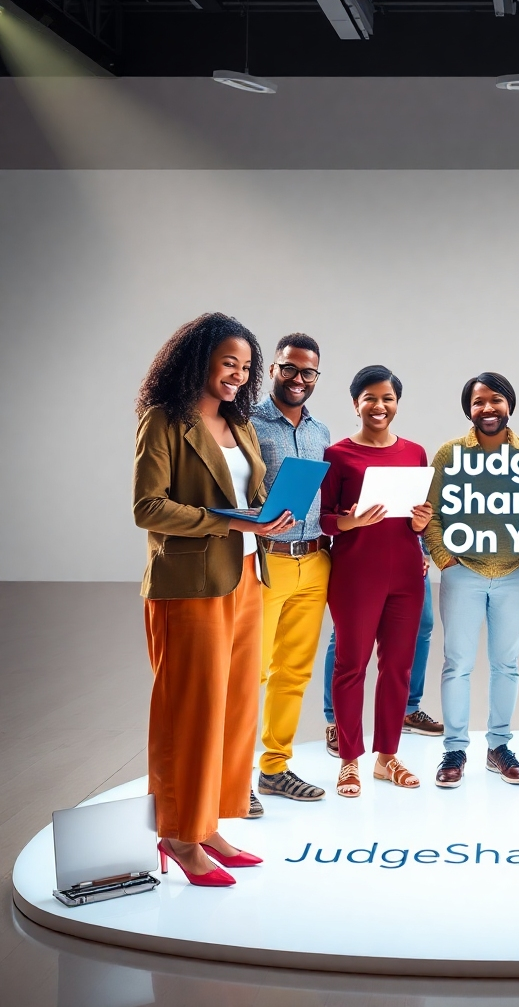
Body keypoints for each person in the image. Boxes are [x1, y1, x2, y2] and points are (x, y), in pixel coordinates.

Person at [133, 312, 293, 886]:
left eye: (246, 367)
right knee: (191, 712)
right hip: (191, 586)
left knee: (233, 709)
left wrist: (270, 515)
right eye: (229, 362)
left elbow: (248, 496)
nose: (238, 374)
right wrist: (226, 523)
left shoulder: (239, 423)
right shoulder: (165, 420)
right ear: (198, 359)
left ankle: (209, 824)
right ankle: (178, 835)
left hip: (248, 576)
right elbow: (146, 507)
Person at [425, 373, 519, 788]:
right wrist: (445, 560)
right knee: (457, 664)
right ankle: (454, 751)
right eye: (479, 402)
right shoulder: (450, 453)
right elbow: (433, 512)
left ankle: (499, 747)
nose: (488, 409)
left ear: (509, 404)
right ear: (469, 409)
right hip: (463, 573)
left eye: (496, 400)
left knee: (506, 664)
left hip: (516, 574)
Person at [320, 365, 431, 797]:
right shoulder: (337, 455)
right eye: (370, 398)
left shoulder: (415, 452)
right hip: (355, 575)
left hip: (406, 571)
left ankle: (387, 757)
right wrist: (350, 520)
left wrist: (422, 524)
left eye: (387, 398)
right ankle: (350, 760)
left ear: (396, 404)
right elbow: (324, 519)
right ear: (356, 404)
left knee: (398, 667)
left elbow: (417, 515)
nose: (379, 406)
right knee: (351, 665)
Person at [248, 333, 332, 816]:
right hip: (267, 560)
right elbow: (232, 484)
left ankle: (274, 768)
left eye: (308, 373)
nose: (298, 379)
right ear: (274, 369)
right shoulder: (245, 423)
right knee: (251, 673)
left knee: (293, 673)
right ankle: (236, 776)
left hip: (316, 559)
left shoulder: (321, 431)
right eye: (289, 369)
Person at [322, 553, 442, 758]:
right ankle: (335, 721)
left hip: (407, 550)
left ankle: (409, 709)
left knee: (422, 624)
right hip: (362, 550)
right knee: (345, 634)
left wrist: (423, 551)